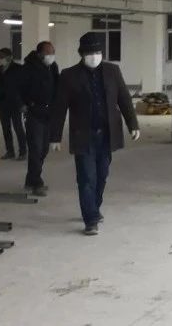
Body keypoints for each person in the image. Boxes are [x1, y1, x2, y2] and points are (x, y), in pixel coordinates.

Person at [48, 32, 140, 235]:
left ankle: (95, 208)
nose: (94, 57)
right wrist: (55, 136)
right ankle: (90, 219)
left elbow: (124, 98)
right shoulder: (69, 75)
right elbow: (60, 108)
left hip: (107, 134)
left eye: (98, 52)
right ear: (81, 54)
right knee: (86, 178)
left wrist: (133, 124)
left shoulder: (112, 71)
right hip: (84, 134)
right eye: (90, 53)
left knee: (102, 175)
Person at [21, 41, 60, 197]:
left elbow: (57, 86)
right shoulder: (28, 68)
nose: (51, 55)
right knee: (36, 149)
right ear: (39, 54)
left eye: (53, 52)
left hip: (48, 113)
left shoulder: (53, 66)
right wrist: (23, 104)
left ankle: (30, 180)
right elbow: (18, 89)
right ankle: (37, 183)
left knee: (43, 149)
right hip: (34, 112)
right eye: (48, 53)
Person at [0, 47, 27, 161]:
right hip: (3, 104)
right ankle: (10, 151)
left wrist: (24, 103)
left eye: (2, 56)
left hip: (16, 104)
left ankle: (23, 152)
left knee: (18, 128)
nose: (0, 59)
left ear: (9, 57)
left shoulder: (19, 69)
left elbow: (24, 88)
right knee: (6, 129)